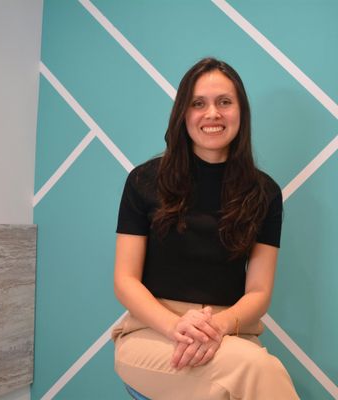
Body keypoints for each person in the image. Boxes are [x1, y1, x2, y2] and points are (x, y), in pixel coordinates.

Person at [112, 57, 299, 400]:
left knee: (244, 370)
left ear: (241, 113)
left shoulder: (264, 193)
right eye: (198, 103)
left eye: (224, 102)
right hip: (152, 333)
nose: (212, 113)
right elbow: (125, 280)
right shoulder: (143, 181)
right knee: (257, 370)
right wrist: (176, 326)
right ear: (183, 114)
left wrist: (217, 327)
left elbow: (259, 291)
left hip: (229, 335)